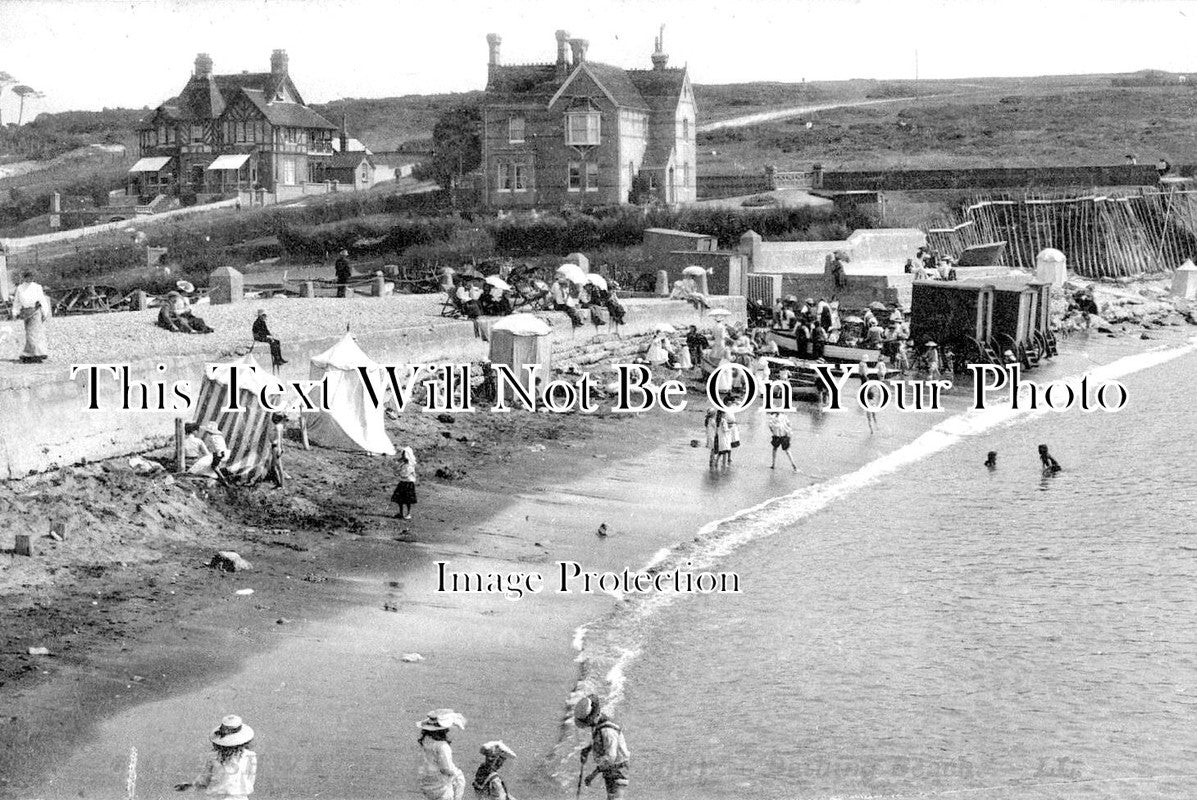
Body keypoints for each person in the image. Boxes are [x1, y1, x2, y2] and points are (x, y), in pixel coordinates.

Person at [175, 714, 257, 798]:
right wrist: (190, 785)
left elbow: (250, 780)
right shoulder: (213, 757)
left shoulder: (250, 756)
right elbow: (204, 779)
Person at [574, 694, 630, 800]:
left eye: (589, 723)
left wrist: (592, 775)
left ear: (594, 716)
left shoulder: (608, 731)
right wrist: (588, 749)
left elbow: (610, 758)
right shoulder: (599, 724)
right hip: (609, 770)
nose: (589, 725)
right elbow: (600, 741)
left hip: (618, 771)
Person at [418, 709, 468, 800]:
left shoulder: (426, 740)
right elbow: (446, 768)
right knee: (459, 779)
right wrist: (454, 772)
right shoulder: (442, 746)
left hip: (427, 782)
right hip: (440, 786)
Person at [11, 271, 52, 363]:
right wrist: (15, 312)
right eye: (27, 277)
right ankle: (29, 353)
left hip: (36, 311)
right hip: (26, 311)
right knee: (29, 333)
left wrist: (45, 312)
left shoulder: (37, 287)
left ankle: (38, 353)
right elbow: (17, 301)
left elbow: (42, 300)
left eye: (31, 277)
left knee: (35, 332)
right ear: (24, 277)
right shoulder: (20, 288)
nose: (29, 279)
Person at [391, 446, 418, 520]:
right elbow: (396, 471)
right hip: (403, 482)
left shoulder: (410, 465)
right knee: (400, 499)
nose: (402, 456)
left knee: (408, 500)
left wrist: (399, 473)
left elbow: (405, 474)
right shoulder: (403, 464)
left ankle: (408, 513)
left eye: (403, 454)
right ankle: (401, 513)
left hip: (408, 483)